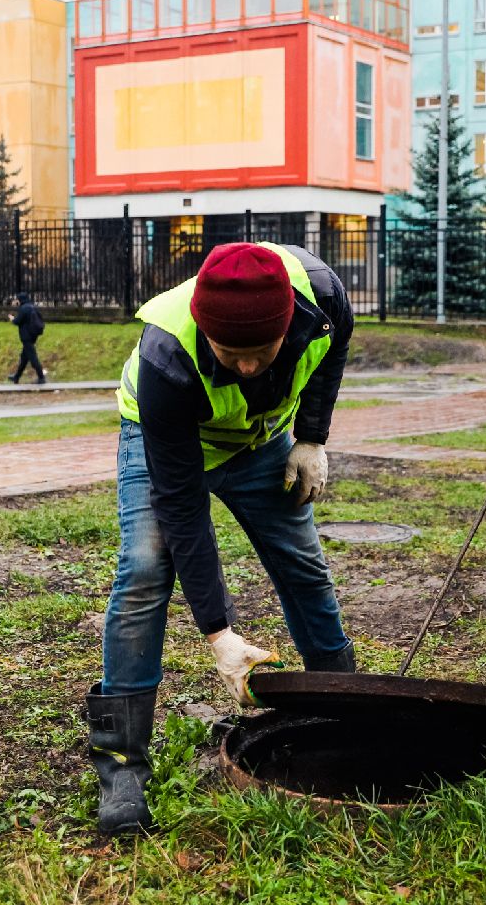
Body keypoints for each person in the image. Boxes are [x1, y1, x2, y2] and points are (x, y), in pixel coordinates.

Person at [89, 241, 356, 834]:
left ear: (288, 326)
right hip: (167, 437)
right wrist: (219, 634)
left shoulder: (323, 298)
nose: (247, 368)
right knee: (144, 568)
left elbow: (333, 350)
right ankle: (121, 766)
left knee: (303, 564)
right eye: (230, 354)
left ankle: (347, 711)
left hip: (261, 442)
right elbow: (183, 510)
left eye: (261, 353)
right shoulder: (167, 355)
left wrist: (311, 436)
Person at [6, 291, 46, 384]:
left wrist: (12, 318)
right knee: (24, 358)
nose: (16, 301)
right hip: (33, 335)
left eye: (17, 299)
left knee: (33, 357)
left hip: (26, 336)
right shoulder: (32, 306)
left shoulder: (24, 308)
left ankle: (41, 377)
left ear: (20, 299)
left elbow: (17, 321)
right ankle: (16, 377)